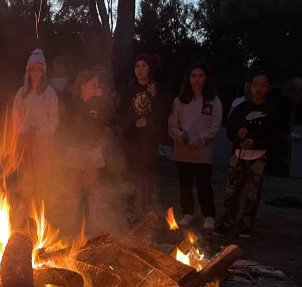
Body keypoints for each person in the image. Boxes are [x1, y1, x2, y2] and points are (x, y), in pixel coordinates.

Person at [214, 72, 285, 238]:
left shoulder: (271, 110)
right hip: (238, 154)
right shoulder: (241, 108)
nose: (259, 89)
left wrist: (256, 141)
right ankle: (226, 223)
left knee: (252, 193)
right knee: (231, 191)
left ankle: (246, 225)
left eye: (263, 85)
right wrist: (238, 136)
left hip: (258, 157)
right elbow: (230, 129)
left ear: (269, 87)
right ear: (250, 87)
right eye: (255, 85)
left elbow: (275, 134)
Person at [168, 63, 223, 230]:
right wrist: (180, 136)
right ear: (188, 79)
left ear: (206, 78)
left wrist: (200, 139)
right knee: (185, 185)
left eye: (201, 75)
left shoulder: (213, 101)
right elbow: (172, 123)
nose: (197, 79)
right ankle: (188, 213)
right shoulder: (179, 101)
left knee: (203, 185)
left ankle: (209, 216)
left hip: (202, 152)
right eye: (194, 76)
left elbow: (215, 125)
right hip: (182, 150)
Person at [116, 53, 167, 216]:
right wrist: (133, 123)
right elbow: (121, 115)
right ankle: (129, 212)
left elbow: (163, 114)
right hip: (132, 141)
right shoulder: (128, 90)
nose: (140, 69)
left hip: (150, 142)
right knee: (131, 178)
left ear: (149, 68)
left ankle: (147, 212)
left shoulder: (156, 89)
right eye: (137, 66)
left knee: (148, 179)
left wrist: (154, 96)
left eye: (143, 66)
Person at [11, 48, 59, 213]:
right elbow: (15, 116)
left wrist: (39, 132)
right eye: (33, 69)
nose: (36, 72)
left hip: (43, 143)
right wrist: (24, 130)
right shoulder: (21, 93)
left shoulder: (49, 93)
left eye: (39, 69)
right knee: (25, 180)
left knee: (42, 180)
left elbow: (54, 119)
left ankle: (41, 217)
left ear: (43, 71)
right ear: (28, 71)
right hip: (25, 142)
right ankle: (24, 217)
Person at [63, 69, 110, 235]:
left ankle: (91, 224)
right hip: (76, 150)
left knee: (92, 189)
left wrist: (101, 101)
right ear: (83, 86)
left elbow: (104, 123)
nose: (96, 87)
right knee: (75, 190)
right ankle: (74, 224)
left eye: (97, 84)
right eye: (93, 84)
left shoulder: (98, 104)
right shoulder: (73, 103)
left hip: (93, 150)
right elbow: (68, 126)